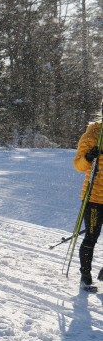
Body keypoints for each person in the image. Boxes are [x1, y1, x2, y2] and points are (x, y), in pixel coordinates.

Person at [73, 112, 103, 289]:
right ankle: (85, 274)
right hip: (94, 197)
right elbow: (78, 165)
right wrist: (88, 158)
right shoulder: (91, 135)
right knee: (91, 237)